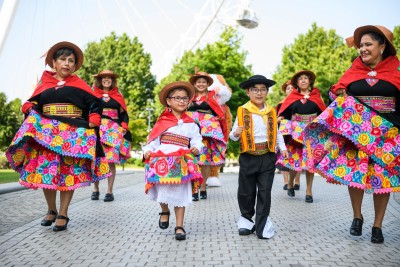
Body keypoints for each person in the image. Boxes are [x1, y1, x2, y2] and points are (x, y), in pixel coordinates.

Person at [304, 25, 400, 243]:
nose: (363, 49)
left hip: (386, 135)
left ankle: (378, 225)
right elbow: (336, 94)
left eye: (368, 45)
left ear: (382, 47)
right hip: (356, 134)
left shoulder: (397, 70)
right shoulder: (353, 70)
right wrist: (337, 93)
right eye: (361, 45)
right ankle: (357, 216)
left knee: (382, 180)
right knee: (356, 175)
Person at [5, 41, 110, 231]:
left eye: (71, 60)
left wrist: (94, 116)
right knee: (47, 172)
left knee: (68, 174)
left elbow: (95, 104)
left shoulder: (79, 84)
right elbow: (32, 103)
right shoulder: (44, 83)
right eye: (63, 59)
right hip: (47, 137)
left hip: (72, 135)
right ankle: (51, 210)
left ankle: (63, 213)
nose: (67, 63)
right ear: (54, 62)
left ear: (75, 65)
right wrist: (27, 106)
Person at [143, 81, 204, 241]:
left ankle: (179, 226)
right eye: (177, 98)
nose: (182, 101)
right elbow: (152, 141)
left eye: (185, 98)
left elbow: (198, 140)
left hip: (182, 161)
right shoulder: (161, 121)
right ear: (169, 101)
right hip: (162, 160)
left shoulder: (191, 123)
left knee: (180, 193)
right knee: (161, 188)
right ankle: (164, 210)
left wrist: (197, 147)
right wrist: (148, 151)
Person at [230, 75, 288, 239]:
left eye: (263, 89)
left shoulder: (272, 111)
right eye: (255, 90)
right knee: (246, 192)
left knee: (264, 191)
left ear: (267, 92)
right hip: (248, 156)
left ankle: (262, 225)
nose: (259, 93)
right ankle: (246, 221)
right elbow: (233, 134)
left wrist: (282, 148)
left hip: (267, 156)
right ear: (248, 92)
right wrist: (235, 134)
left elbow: (277, 132)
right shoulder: (242, 110)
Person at [277, 70, 326, 203]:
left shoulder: (316, 96)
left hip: (312, 133)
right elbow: (285, 113)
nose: (303, 80)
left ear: (310, 81)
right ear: (296, 83)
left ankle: (309, 191)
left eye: (306, 78)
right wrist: (281, 118)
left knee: (311, 163)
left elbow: (323, 114)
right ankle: (291, 183)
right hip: (296, 135)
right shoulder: (292, 97)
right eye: (301, 79)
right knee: (295, 162)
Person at [187, 68, 228, 200]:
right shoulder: (189, 96)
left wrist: (216, 120)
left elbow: (219, 114)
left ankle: (203, 187)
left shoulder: (212, 97)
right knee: (192, 160)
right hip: (190, 132)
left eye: (203, 82)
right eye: (198, 81)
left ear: (207, 84)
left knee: (203, 161)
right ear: (194, 83)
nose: (200, 84)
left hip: (206, 134)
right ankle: (194, 189)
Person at [91, 70, 131, 202]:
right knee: (96, 159)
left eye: (109, 78)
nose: (107, 80)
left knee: (111, 160)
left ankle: (109, 191)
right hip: (97, 128)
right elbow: (89, 110)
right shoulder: (93, 93)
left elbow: (123, 113)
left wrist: (124, 126)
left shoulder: (118, 95)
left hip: (113, 130)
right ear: (100, 80)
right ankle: (96, 189)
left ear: (112, 81)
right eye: (104, 78)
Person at [205, 73, 233, 187]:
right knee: (202, 157)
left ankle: (213, 175)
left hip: (218, 137)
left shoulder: (225, 108)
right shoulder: (203, 105)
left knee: (215, 157)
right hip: (204, 136)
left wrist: (226, 135)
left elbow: (228, 122)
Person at [276, 81, 301, 190]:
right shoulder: (281, 104)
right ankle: (286, 182)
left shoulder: (301, 102)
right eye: (288, 88)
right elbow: (277, 117)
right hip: (284, 133)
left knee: (298, 155)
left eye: (292, 88)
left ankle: (297, 181)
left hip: (297, 132)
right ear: (285, 91)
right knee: (283, 156)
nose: (290, 90)